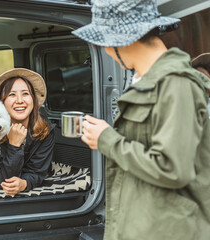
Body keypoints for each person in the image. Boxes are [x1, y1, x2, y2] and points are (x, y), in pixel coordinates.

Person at [72, 0, 210, 239]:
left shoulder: (175, 84)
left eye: (103, 42)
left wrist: (106, 139)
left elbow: (172, 168)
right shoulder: (145, 82)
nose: (104, 49)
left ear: (122, 39)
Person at [0, 68, 55, 196]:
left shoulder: (46, 131)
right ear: (1, 102)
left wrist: (24, 183)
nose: (19, 100)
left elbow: (37, 172)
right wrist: (14, 146)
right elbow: (1, 181)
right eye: (12, 95)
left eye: (25, 94)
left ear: (33, 99)